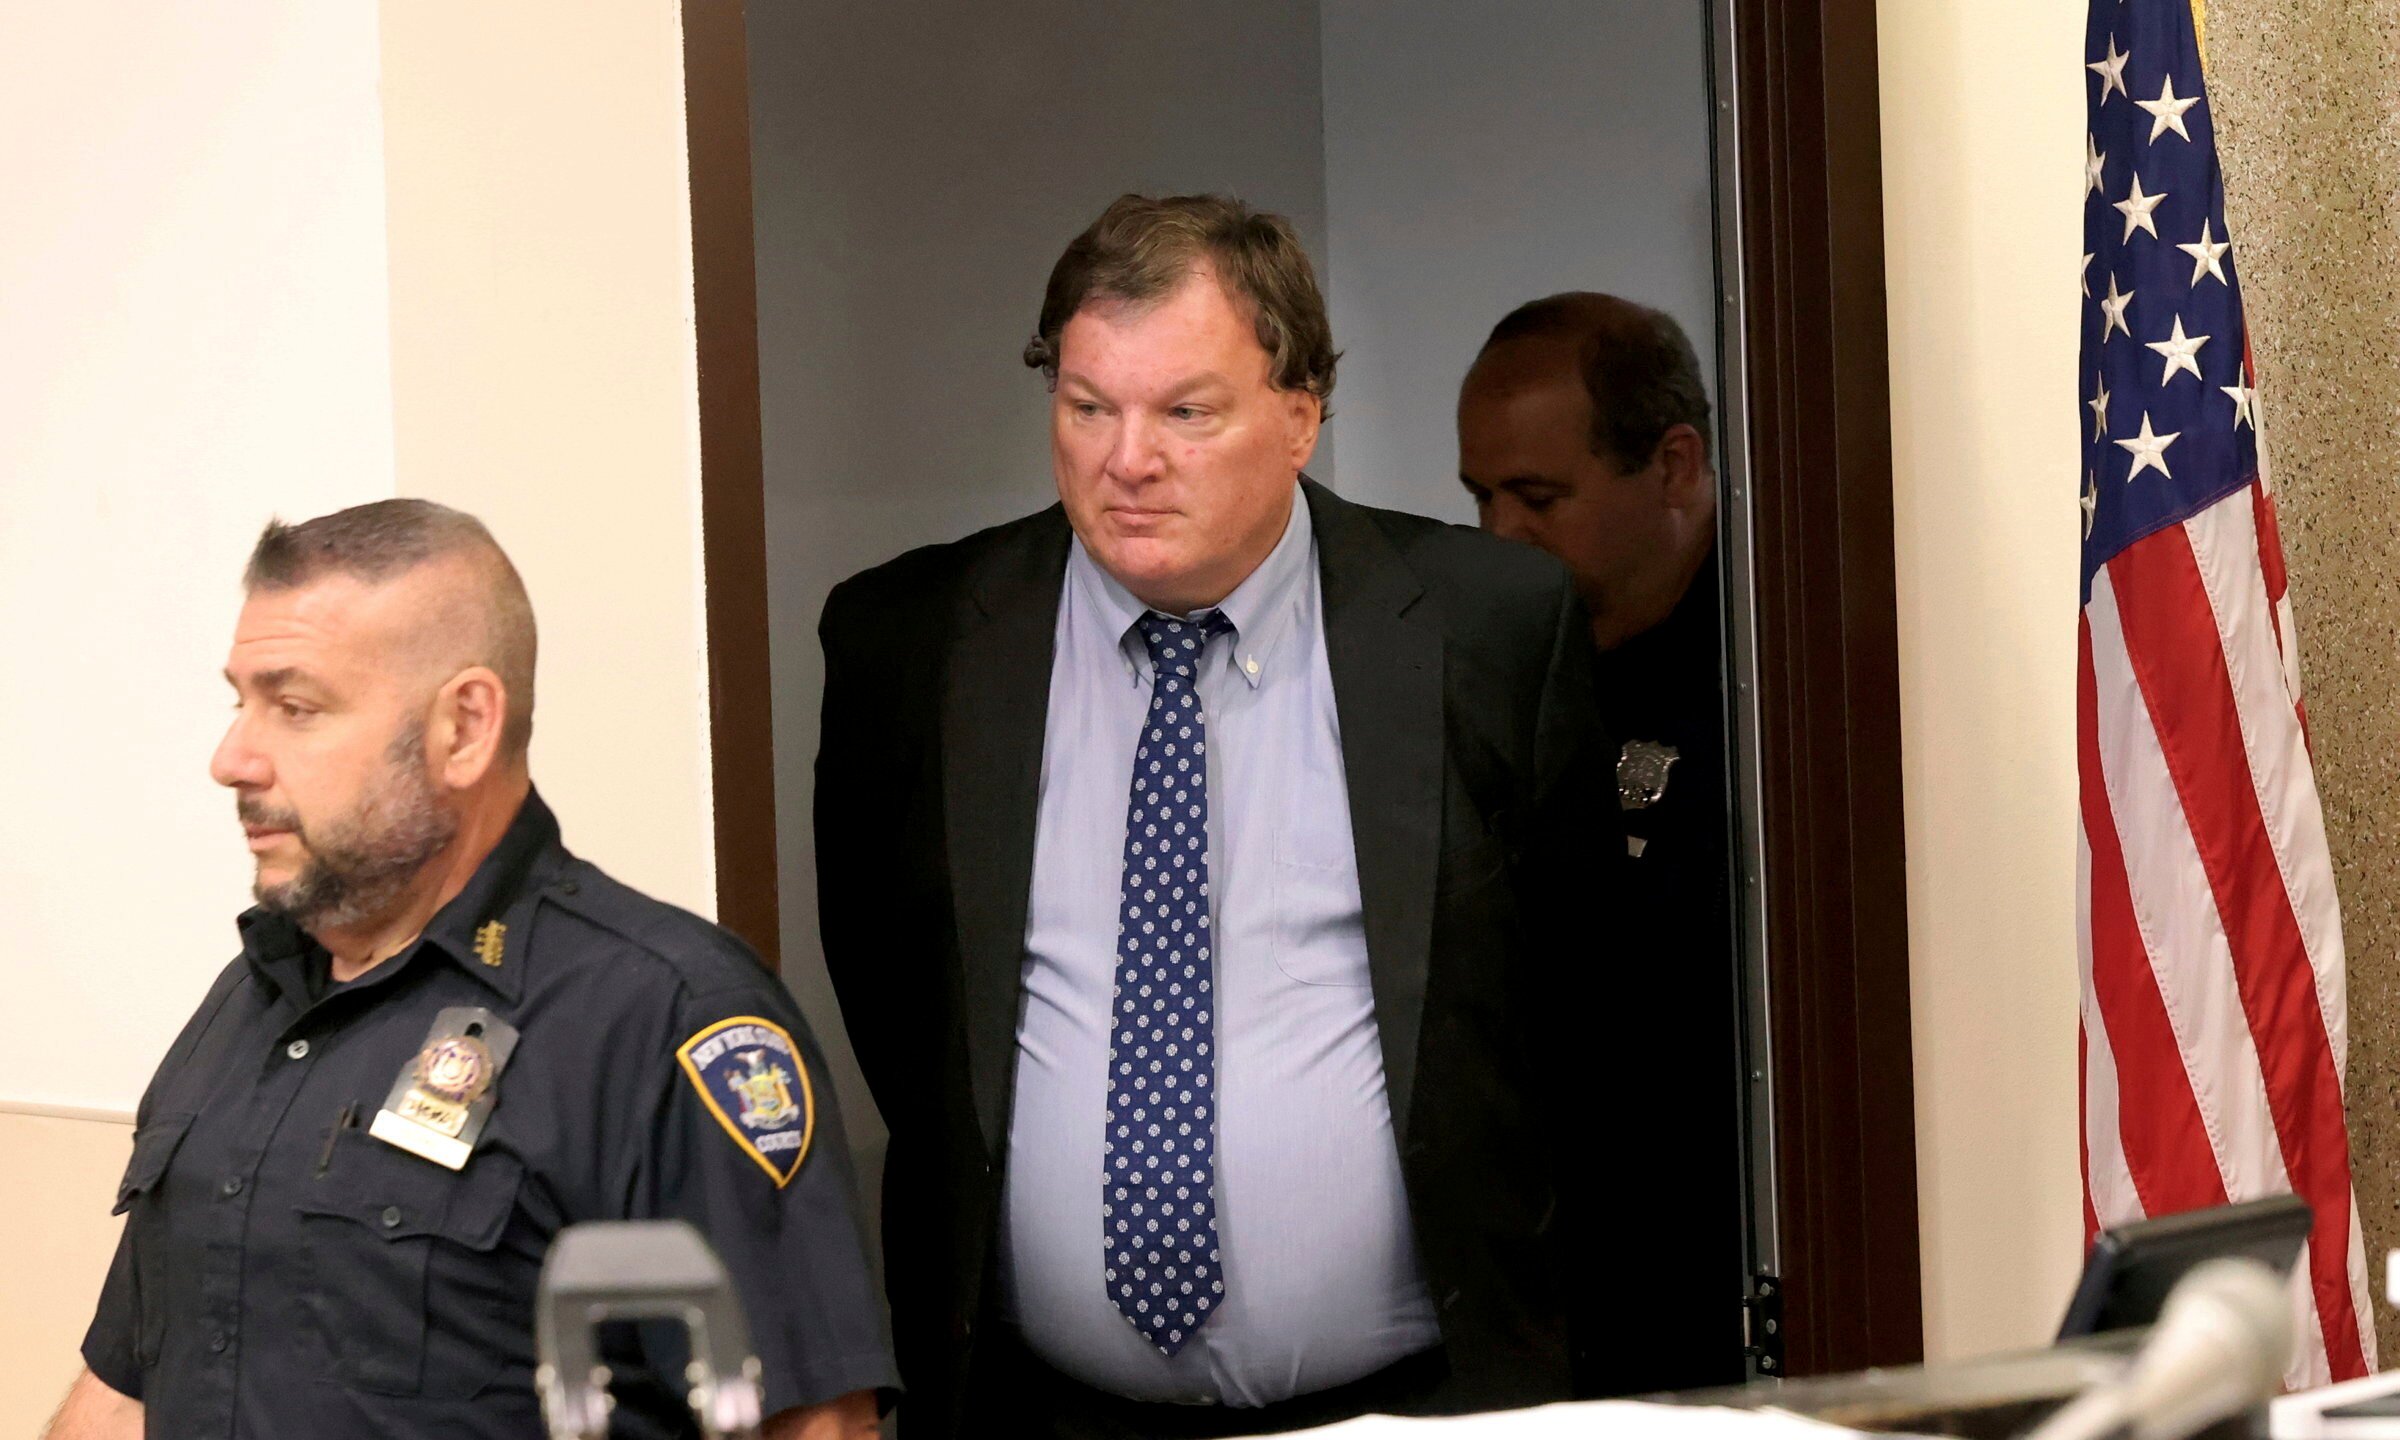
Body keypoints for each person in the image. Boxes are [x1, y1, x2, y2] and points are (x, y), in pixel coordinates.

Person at [815, 194, 1722, 1439]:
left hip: (1421, 1401)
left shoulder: (1487, 627)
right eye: (1088, 407)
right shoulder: (908, 644)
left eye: (1186, 411)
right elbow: (899, 1008)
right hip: (1036, 1407)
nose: (1127, 458)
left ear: (1301, 413)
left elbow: (1570, 1018)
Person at [44, 501, 895, 1439]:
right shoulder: (253, 1002)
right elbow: (125, 1389)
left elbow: (812, 1426)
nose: (232, 757)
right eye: (238, 701)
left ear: (463, 728)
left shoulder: (661, 1019)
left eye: (295, 707)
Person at [1457, 291, 1748, 1388]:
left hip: (1717, 1292)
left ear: (1674, 468)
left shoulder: (1778, 663)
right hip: (1555, 1303)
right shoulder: (1498, 664)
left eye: (1538, 497)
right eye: (1482, 498)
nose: (1501, 537)